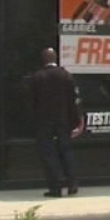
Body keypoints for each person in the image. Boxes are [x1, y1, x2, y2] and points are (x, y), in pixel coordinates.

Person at [29, 47, 81, 197]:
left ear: (43, 59)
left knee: (48, 154)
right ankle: (72, 183)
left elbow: (32, 101)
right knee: (66, 151)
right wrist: (76, 120)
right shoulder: (66, 76)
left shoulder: (37, 77)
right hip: (63, 120)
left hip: (43, 121)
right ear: (55, 58)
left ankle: (55, 187)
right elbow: (73, 100)